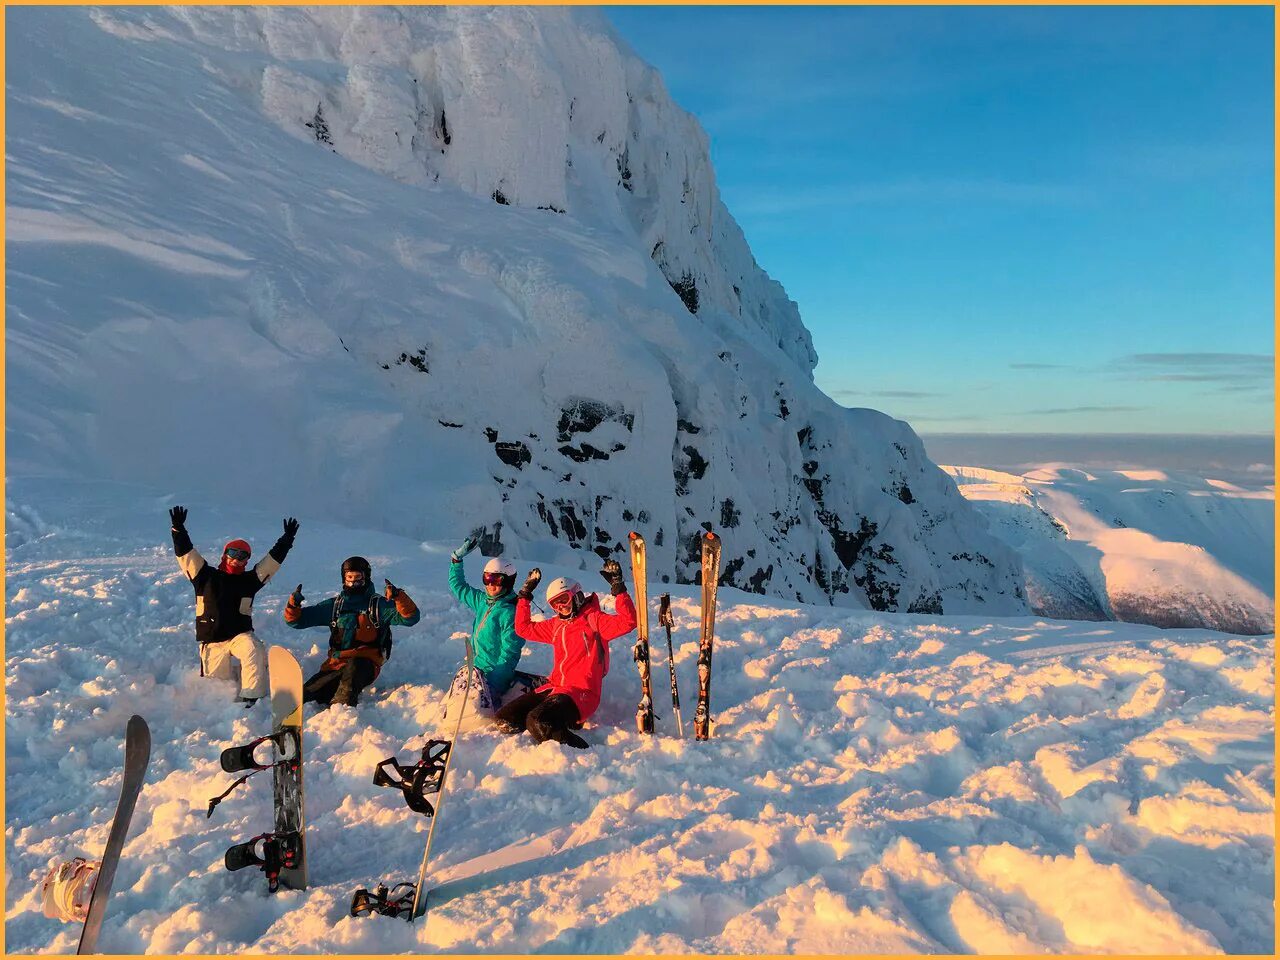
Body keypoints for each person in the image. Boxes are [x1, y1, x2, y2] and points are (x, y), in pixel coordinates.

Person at [499, 558, 636, 749]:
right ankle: (560, 722)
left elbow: (627, 622)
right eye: (555, 604)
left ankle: (582, 754)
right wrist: (525, 595)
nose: (560, 607)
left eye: (564, 600)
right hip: (556, 687)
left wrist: (618, 588)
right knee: (506, 719)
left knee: (537, 721)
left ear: (576, 596)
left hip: (582, 693)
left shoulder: (593, 620)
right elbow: (524, 629)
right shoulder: (557, 625)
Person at [169, 505, 297, 706]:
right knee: (216, 689)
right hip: (212, 639)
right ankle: (221, 711)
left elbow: (270, 564)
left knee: (253, 649)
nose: (237, 559)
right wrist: (178, 529)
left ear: (247, 560)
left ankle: (252, 698)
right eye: (233, 553)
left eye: (243, 555)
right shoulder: (205, 576)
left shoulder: (249, 580)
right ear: (225, 554)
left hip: (240, 635)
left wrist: (286, 541)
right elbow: (187, 555)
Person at [284, 556, 421, 708]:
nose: (353, 582)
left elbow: (411, 618)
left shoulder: (378, 606)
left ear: (366, 577)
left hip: (365, 664)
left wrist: (398, 597)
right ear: (344, 578)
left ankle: (341, 713)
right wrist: (293, 605)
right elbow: (296, 622)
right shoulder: (335, 606)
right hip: (336, 664)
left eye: (358, 577)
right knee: (309, 693)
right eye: (349, 577)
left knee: (352, 674)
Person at [446, 536, 525, 718]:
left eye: (497, 580)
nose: (491, 584)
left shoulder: (510, 612)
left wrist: (495, 682)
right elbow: (458, 587)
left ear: (508, 582)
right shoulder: (483, 601)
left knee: (474, 715)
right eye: (487, 578)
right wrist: (456, 560)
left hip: (495, 676)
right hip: (476, 671)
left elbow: (510, 652)